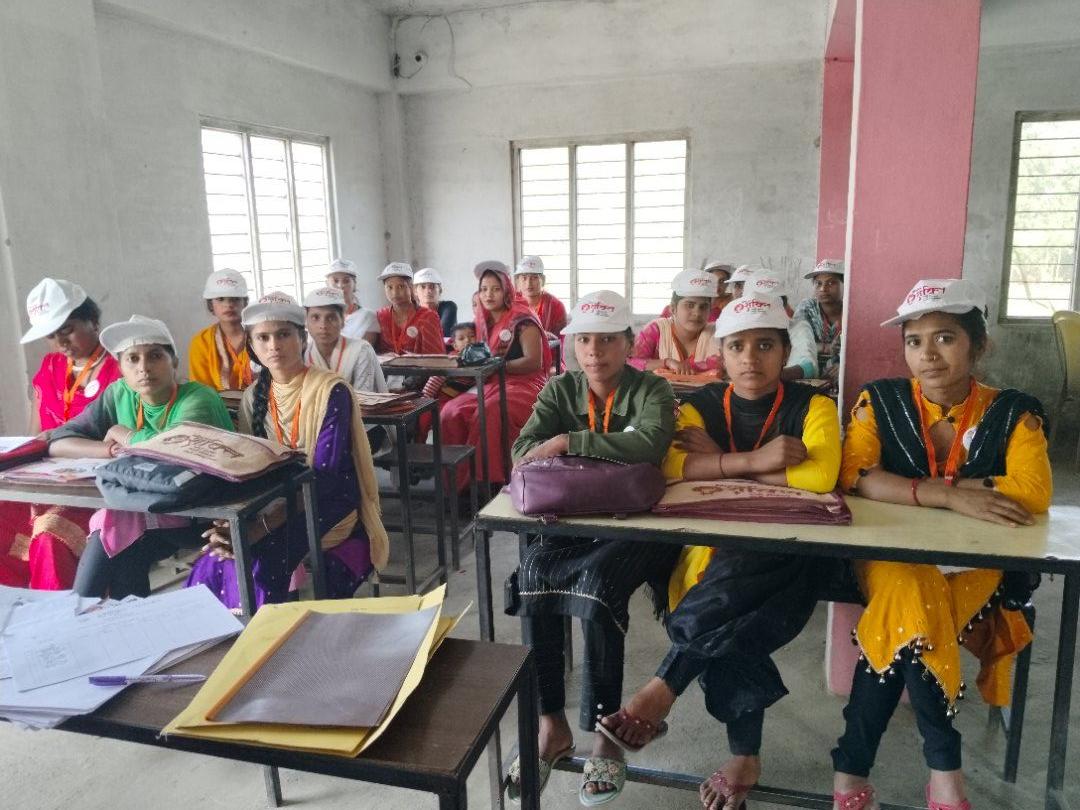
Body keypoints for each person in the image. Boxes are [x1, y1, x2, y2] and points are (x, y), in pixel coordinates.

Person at [600, 293, 842, 810]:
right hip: (710, 550)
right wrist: (758, 461)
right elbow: (671, 466)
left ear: (784, 352)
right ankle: (744, 757)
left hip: (791, 553)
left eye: (765, 345)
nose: (750, 358)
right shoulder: (701, 404)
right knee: (730, 606)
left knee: (730, 577)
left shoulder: (813, 405)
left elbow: (821, 475)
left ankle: (665, 685)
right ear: (722, 354)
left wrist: (722, 462)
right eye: (737, 347)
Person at [829, 279, 1050, 810]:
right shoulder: (880, 401)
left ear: (980, 345)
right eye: (914, 341)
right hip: (892, 557)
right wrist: (948, 495)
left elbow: (1034, 490)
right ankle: (945, 773)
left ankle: (850, 773)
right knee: (913, 598)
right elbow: (854, 473)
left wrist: (904, 488)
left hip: (976, 562)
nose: (927, 354)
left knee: (905, 620)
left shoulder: (1014, 412)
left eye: (945, 337)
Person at [504, 291, 679, 805]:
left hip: (635, 525)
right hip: (571, 519)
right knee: (533, 575)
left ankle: (605, 734)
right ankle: (550, 723)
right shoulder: (561, 389)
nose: (594, 351)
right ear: (571, 345)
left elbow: (651, 443)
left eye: (607, 340)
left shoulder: (652, 388)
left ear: (629, 343)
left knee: (599, 584)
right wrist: (595, 453)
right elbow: (522, 451)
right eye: (584, 340)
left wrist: (568, 443)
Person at [186, 293, 389, 610]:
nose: (274, 346)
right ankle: (230, 635)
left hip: (327, 496)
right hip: (276, 496)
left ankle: (274, 634)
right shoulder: (253, 396)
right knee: (215, 557)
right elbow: (250, 469)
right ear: (252, 345)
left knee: (260, 559)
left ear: (301, 339)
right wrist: (237, 524)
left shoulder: (330, 390)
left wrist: (260, 527)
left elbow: (326, 476)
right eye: (263, 338)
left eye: (283, 335)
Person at [52, 316, 234, 600]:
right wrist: (110, 450)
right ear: (121, 368)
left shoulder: (199, 398)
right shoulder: (119, 393)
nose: (144, 368)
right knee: (122, 539)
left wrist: (122, 434)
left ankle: (78, 607)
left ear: (174, 362)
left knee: (116, 518)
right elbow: (59, 442)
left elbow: (173, 447)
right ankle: (113, 616)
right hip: (148, 512)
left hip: (204, 513)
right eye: (132, 359)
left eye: (155, 356)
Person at [0, 279, 122, 590]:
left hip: (96, 486)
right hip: (47, 479)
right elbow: (35, 435)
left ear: (93, 321)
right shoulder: (50, 366)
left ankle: (59, 609)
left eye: (67, 330)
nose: (61, 343)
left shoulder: (121, 368)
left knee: (51, 533)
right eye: (51, 335)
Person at [440, 260, 551, 493]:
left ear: (507, 290)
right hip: (489, 382)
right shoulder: (482, 320)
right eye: (483, 289)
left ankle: (487, 483)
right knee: (450, 412)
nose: (488, 295)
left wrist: (499, 366)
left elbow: (534, 362)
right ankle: (456, 483)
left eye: (496, 289)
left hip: (526, 383)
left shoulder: (522, 318)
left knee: (488, 412)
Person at [630, 268, 721, 375]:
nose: (697, 313)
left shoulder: (718, 333)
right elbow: (630, 362)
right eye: (690, 305)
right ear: (673, 308)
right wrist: (666, 363)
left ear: (710, 310)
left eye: (703, 307)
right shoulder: (656, 330)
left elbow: (726, 362)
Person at [303, 286, 388, 393]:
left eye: (331, 318)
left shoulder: (361, 350)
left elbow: (363, 397)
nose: (323, 325)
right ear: (306, 322)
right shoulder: (303, 354)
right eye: (315, 317)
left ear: (343, 321)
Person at [741, 273, 819, 382]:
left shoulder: (796, 327)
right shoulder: (736, 329)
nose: (764, 307)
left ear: (783, 304)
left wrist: (769, 376)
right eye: (759, 303)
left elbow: (809, 367)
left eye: (771, 302)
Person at [187, 268, 253, 392]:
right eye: (220, 299)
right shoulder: (201, 342)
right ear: (210, 305)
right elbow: (201, 391)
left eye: (235, 299)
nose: (228, 305)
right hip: (215, 403)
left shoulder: (261, 337)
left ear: (245, 302)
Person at [374, 262, 446, 356]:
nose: (395, 293)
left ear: (411, 287)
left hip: (420, 366)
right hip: (386, 366)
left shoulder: (428, 317)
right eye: (389, 287)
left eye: (401, 286)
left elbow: (436, 358)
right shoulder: (380, 316)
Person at [794, 259, 845, 385]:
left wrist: (844, 366)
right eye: (818, 283)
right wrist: (827, 348)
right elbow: (797, 344)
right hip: (809, 373)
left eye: (831, 283)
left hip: (842, 375)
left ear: (845, 284)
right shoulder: (807, 307)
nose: (823, 289)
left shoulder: (853, 311)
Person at [660, 259, 734, 322]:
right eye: (690, 305)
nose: (717, 285)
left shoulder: (732, 304)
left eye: (722, 281)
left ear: (728, 283)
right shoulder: (670, 309)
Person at [326, 258, 379, 345]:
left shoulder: (368, 317)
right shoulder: (320, 317)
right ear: (327, 285)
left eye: (346, 281)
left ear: (354, 285)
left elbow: (364, 350)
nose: (340, 285)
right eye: (335, 281)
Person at [514, 255, 568, 336]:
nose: (529, 283)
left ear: (543, 280)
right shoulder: (510, 303)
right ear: (518, 281)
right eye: (524, 278)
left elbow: (562, 338)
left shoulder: (556, 306)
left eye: (534, 278)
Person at [414, 267, 458, 338]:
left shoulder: (449, 307)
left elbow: (443, 335)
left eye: (432, 286)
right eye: (423, 287)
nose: (428, 291)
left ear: (440, 290)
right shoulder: (411, 312)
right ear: (415, 291)